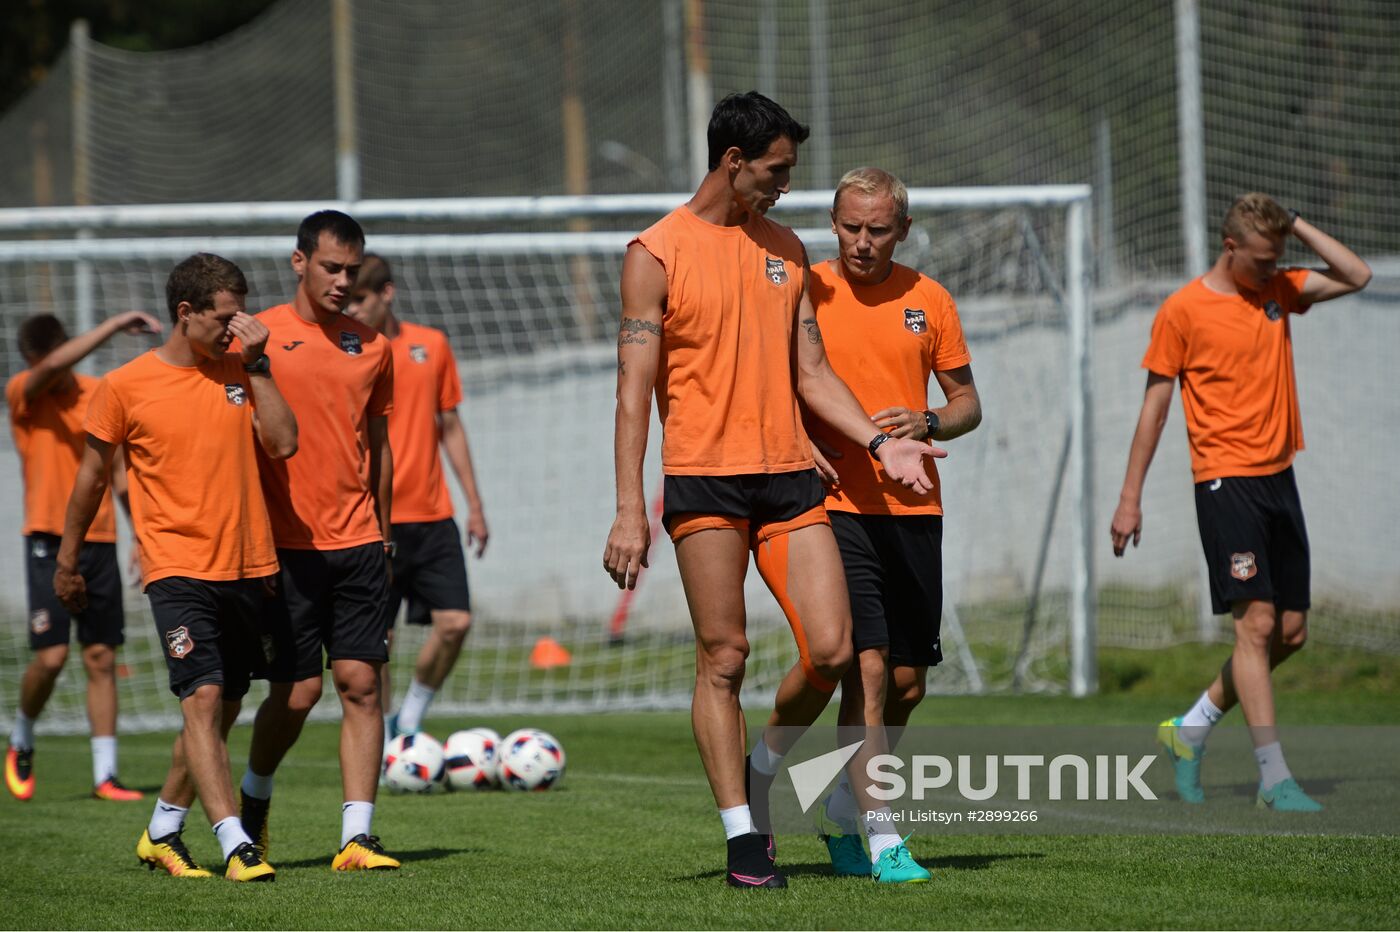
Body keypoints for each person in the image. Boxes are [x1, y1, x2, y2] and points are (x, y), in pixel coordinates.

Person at [603, 92, 942, 889]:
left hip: (789, 478)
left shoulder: (786, 249)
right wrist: (628, 508)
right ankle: (743, 840)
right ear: (734, 162)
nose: (786, 185)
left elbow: (813, 375)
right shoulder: (655, 253)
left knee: (831, 652)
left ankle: (764, 764)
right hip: (704, 480)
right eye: (777, 170)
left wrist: (882, 442)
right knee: (724, 657)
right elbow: (631, 388)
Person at [1110, 193, 1371, 811]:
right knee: (1254, 625)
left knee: (1291, 631)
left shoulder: (1279, 288)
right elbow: (1155, 405)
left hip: (1280, 477)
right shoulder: (1183, 310)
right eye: (1258, 260)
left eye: (1275, 258)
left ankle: (1190, 729)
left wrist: (1295, 222)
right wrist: (1130, 497)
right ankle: (1273, 777)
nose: (1268, 270)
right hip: (1225, 481)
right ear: (1230, 249)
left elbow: (1356, 274)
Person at [54, 253, 295, 881]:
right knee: (203, 697)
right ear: (184, 314)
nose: (236, 326)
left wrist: (261, 365)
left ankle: (163, 827)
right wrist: (68, 557)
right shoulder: (125, 386)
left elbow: (284, 442)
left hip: (248, 564)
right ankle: (234, 842)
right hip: (175, 567)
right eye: (224, 316)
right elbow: (89, 481)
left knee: (228, 704)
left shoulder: (243, 370)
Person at [804, 167, 982, 881]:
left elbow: (968, 402)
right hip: (834, 508)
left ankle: (842, 813)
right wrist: (797, 437)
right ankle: (884, 836)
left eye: (878, 230)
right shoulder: (807, 291)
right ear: (834, 222)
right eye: (851, 226)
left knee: (908, 683)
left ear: (902, 230)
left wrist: (931, 417)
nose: (863, 242)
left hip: (914, 508)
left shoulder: (929, 299)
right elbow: (782, 379)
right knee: (867, 671)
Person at [239, 211, 401, 871]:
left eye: (351, 271)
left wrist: (387, 536)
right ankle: (254, 793)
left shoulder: (373, 346)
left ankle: (356, 837)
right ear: (299, 261)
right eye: (330, 267)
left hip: (360, 540)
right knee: (299, 693)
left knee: (362, 682)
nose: (341, 281)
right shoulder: (256, 338)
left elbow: (381, 449)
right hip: (284, 546)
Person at [5, 309, 162, 802]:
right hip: (46, 542)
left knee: (100, 655)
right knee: (51, 658)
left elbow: (116, 472)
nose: (48, 369)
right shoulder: (22, 392)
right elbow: (50, 370)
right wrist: (115, 326)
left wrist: (139, 531)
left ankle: (105, 775)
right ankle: (23, 734)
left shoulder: (97, 392)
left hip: (100, 540)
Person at [346, 254, 489, 738]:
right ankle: (386, 737)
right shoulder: (347, 353)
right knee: (377, 640)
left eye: (360, 299)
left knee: (456, 622)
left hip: (431, 515)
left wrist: (475, 506)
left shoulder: (431, 345)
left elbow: (449, 425)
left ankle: (410, 715)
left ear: (386, 293)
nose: (353, 309)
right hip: (370, 519)